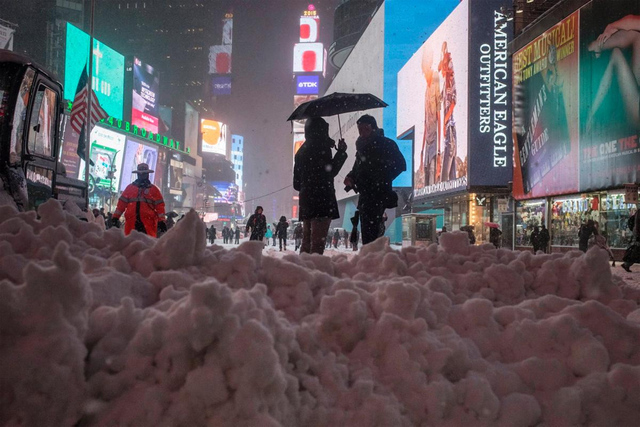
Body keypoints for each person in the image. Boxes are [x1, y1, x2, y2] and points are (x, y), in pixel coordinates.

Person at [343, 114, 406, 245]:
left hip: (378, 194)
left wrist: (384, 177)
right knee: (367, 231)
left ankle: (375, 259)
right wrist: (351, 177)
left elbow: (400, 164)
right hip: (365, 194)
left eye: (364, 129)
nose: (361, 132)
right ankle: (371, 259)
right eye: (359, 129)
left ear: (372, 128)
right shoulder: (361, 147)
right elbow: (357, 168)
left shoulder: (386, 144)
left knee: (373, 231)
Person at [293, 117, 348, 255]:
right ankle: (313, 272)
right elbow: (330, 172)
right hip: (323, 201)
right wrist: (341, 153)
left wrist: (307, 186)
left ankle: (302, 270)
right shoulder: (322, 148)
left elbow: (296, 184)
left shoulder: (300, 152)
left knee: (307, 241)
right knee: (318, 243)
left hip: (306, 203)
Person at [111, 163, 166, 237]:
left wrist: (161, 220)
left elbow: (160, 208)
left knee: (146, 245)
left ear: (147, 174)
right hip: (133, 223)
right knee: (132, 245)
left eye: (144, 174)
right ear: (138, 175)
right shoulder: (130, 189)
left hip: (148, 224)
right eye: (141, 174)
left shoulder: (154, 190)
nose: (142, 175)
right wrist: (115, 217)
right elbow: (121, 205)